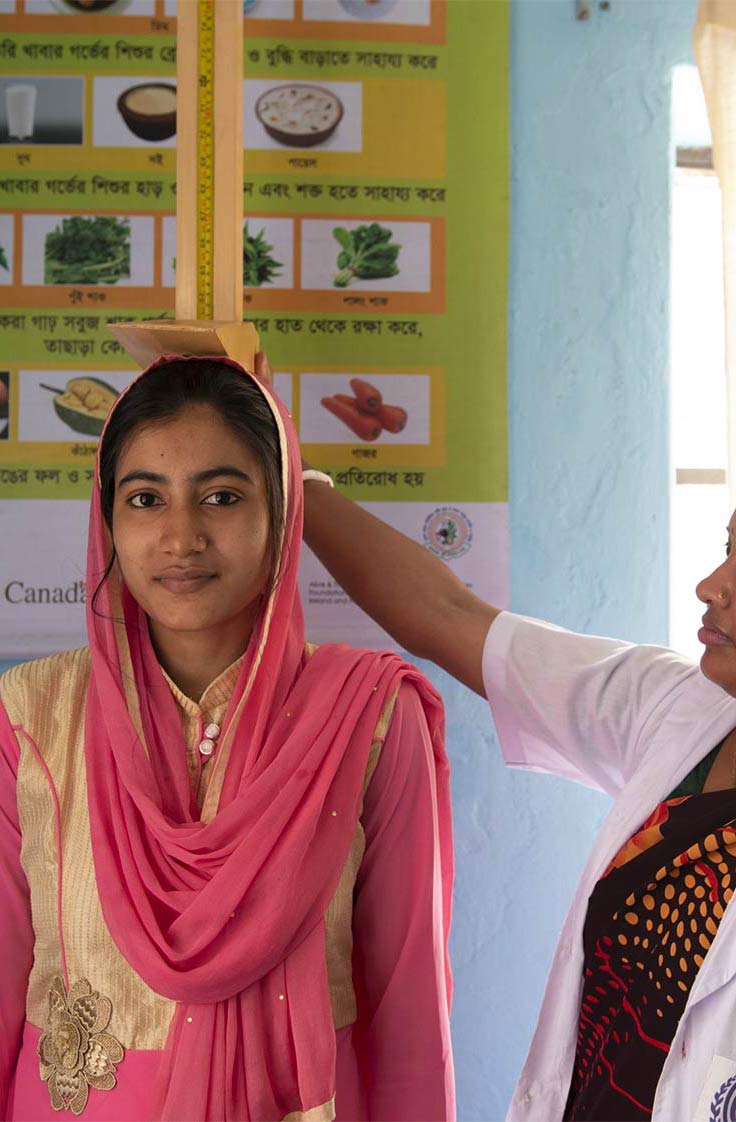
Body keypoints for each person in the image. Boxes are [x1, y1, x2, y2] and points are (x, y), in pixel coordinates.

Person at [297, 395, 736, 1121]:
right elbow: (448, 617)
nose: (711, 585)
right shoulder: (675, 711)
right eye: (727, 550)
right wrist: (298, 483)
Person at [0, 355, 455, 1122]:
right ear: (106, 518)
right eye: (145, 499)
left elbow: (409, 1005)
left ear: (281, 513)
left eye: (221, 496)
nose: (182, 537)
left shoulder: (367, 717)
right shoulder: (30, 716)